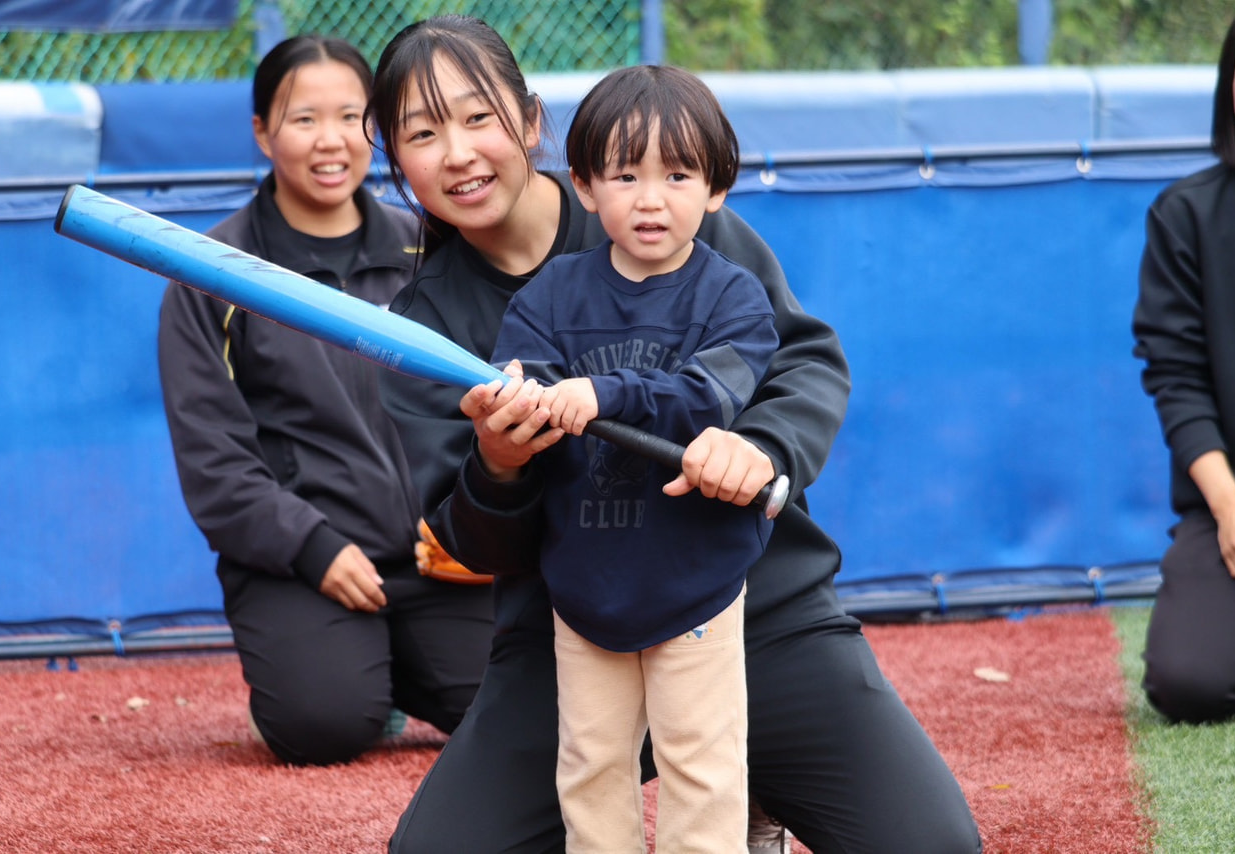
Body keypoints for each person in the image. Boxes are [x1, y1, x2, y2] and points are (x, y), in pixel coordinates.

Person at [368, 14, 982, 853]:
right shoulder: (423, 324)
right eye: (423, 133)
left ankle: (754, 784)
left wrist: (760, 446)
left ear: (532, 121)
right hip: (574, 631)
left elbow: (804, 364)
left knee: (931, 846)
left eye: (479, 118)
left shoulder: (655, 204)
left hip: (746, 610)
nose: (459, 153)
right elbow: (473, 539)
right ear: (395, 157)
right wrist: (499, 464)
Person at [156, 34, 495, 767]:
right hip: (306, 562)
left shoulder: (433, 249)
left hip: (433, 554)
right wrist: (313, 547)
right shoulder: (213, 275)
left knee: (519, 711)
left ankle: (395, 662)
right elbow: (215, 462)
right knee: (322, 724)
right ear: (262, 132)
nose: (331, 140)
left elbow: (484, 403)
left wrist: (475, 524)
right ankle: (355, 673)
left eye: (350, 117)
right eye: (304, 119)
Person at [477, 64, 778, 852]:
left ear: (716, 189)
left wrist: (603, 393)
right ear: (583, 186)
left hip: (697, 585)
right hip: (584, 585)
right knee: (590, 765)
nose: (650, 199)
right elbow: (523, 384)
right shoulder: (549, 295)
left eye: (677, 175)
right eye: (625, 176)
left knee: (701, 766)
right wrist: (518, 403)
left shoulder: (735, 298)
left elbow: (707, 398)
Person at [1133, 0, 1235, 725]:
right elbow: (1175, 377)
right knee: (1189, 681)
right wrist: (1233, 509)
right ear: (1229, 85)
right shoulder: (1185, 215)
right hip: (1234, 503)